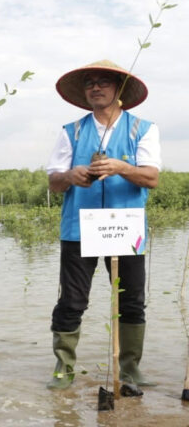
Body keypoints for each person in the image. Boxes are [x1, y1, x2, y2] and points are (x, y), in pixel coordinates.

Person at [46, 60, 160, 396]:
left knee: (132, 301)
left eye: (104, 82)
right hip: (79, 228)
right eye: (90, 83)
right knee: (71, 301)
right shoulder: (72, 131)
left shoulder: (142, 128)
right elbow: (54, 182)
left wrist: (123, 167)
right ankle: (63, 368)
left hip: (126, 228)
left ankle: (131, 368)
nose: (96, 88)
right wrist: (71, 176)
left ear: (119, 90)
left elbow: (151, 178)